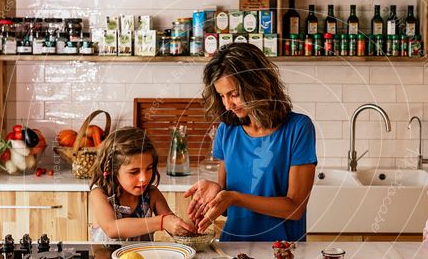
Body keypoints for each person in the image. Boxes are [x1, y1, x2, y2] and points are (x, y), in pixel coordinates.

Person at [184, 43, 317, 242]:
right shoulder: (227, 130)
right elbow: (226, 204)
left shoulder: (298, 128)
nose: (228, 105)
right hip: (234, 250)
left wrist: (234, 197)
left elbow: (294, 208)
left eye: (234, 94)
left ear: (258, 85)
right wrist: (215, 191)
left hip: (283, 253)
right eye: (222, 96)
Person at [89, 127, 194, 242]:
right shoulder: (100, 194)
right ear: (112, 171)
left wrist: (191, 223)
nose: (144, 179)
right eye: (134, 172)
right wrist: (162, 222)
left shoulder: (152, 195)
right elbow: (112, 229)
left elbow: (175, 229)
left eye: (149, 168)